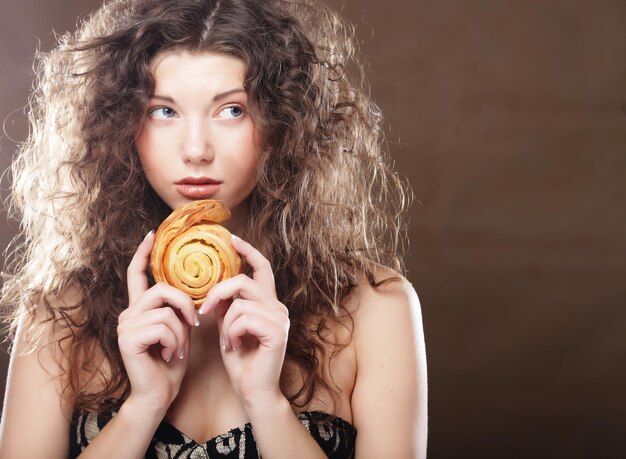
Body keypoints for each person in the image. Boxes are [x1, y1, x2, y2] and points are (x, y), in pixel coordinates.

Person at [0, 0, 427, 457]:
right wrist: (144, 406)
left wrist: (266, 401)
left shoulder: (374, 309)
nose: (196, 149)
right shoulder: (59, 313)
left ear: (284, 121)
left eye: (232, 111)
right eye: (163, 111)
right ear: (121, 124)